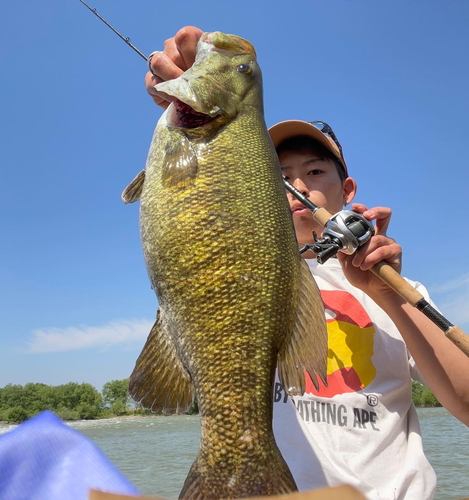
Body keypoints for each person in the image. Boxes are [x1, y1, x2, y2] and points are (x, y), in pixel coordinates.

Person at [143, 26, 469, 499]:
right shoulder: (234, 271)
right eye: (281, 174)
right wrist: (184, 87)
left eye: (315, 172)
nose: (299, 185)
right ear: (251, 182)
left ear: (348, 190)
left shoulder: (398, 287)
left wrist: (389, 297)